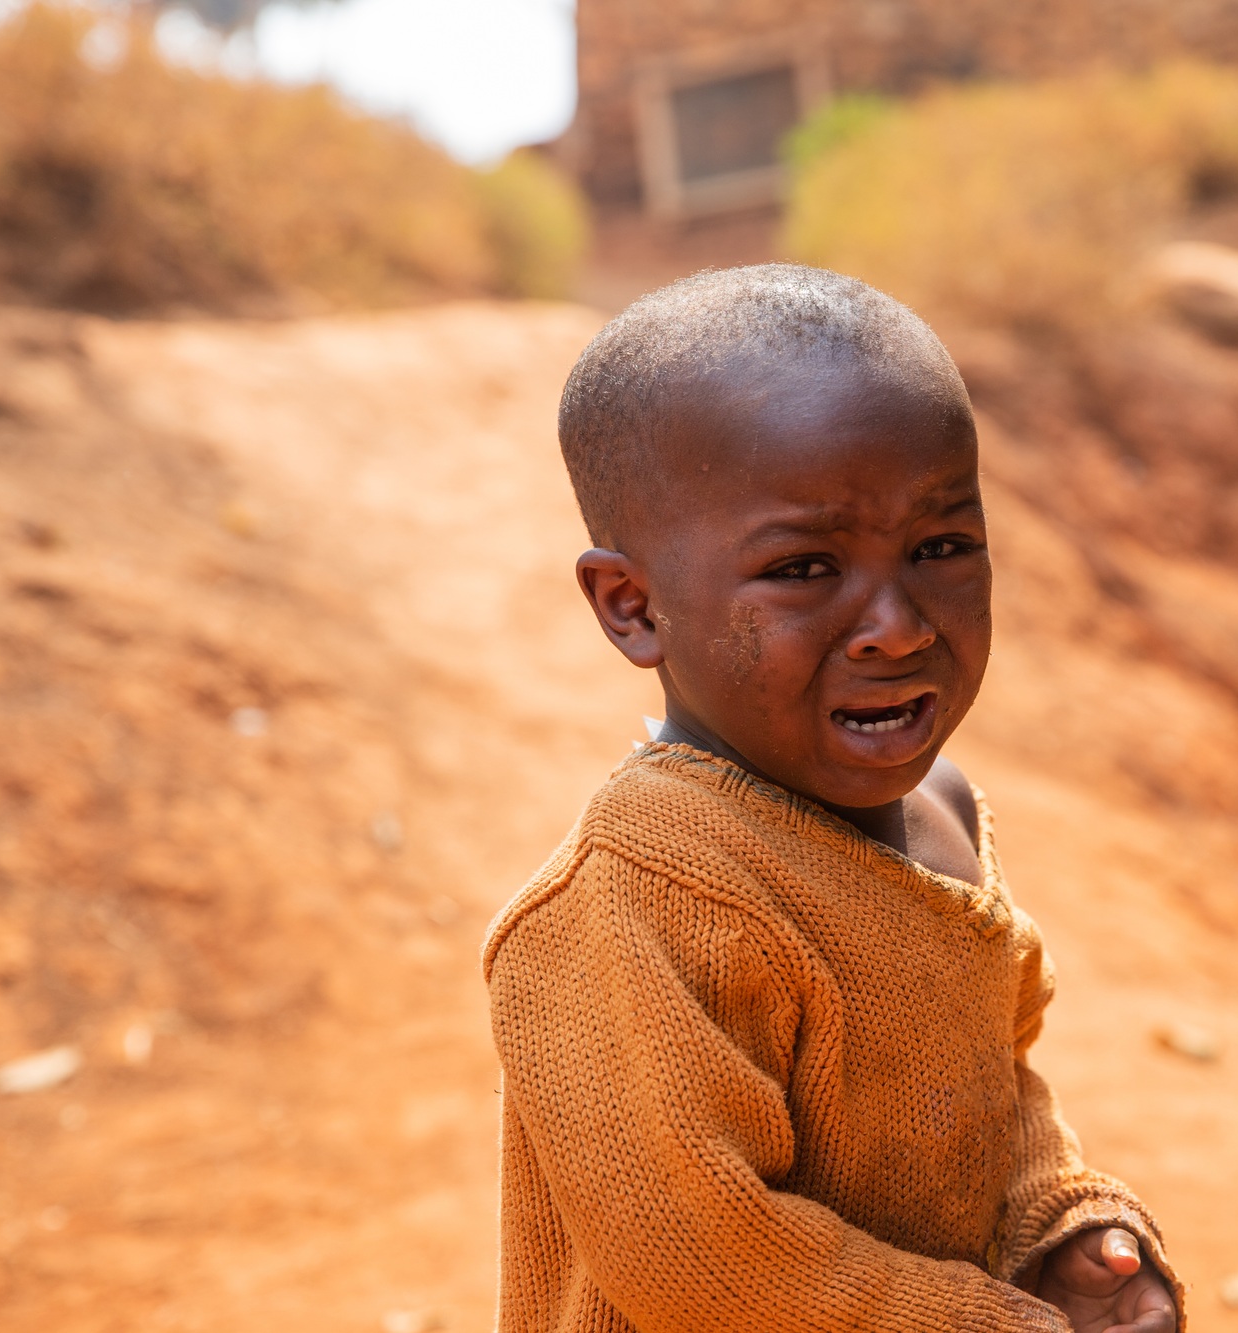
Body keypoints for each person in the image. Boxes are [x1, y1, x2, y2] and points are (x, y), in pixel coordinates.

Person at [482, 264, 1182, 1333]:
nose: (895, 624)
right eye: (806, 568)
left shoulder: (938, 809)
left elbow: (987, 1091)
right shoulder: (642, 893)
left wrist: (1060, 1226)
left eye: (940, 547)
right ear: (632, 606)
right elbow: (704, 1260)